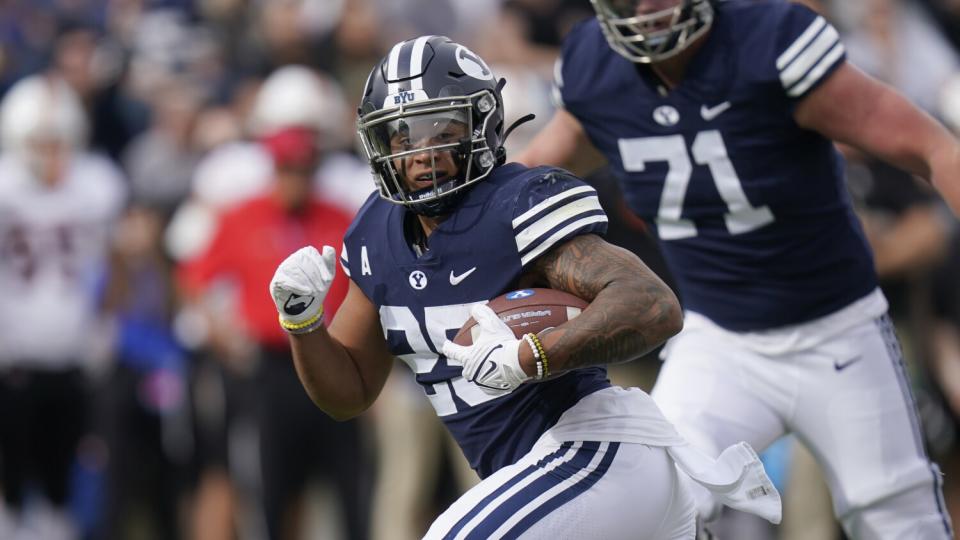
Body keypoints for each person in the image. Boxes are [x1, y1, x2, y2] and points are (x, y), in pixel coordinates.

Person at [270, 35, 782, 539]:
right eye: (404, 137)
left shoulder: (516, 203)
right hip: (545, 486)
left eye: (440, 130)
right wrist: (303, 322)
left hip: (595, 452)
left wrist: (531, 355)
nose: (423, 153)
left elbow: (653, 305)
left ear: (482, 124)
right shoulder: (377, 234)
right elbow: (349, 393)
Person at [515, 1, 960, 537]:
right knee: (654, 500)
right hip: (719, 340)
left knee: (895, 515)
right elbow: (533, 183)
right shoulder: (595, 69)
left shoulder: (767, 41)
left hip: (839, 332)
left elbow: (934, 148)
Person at [0, 73, 126, 539]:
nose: (51, 154)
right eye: (39, 142)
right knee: (13, 477)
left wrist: (105, 322)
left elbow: (116, 267)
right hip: (13, 355)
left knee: (62, 476)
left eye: (59, 142)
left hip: (73, 355)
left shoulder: (96, 184)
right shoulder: (6, 185)